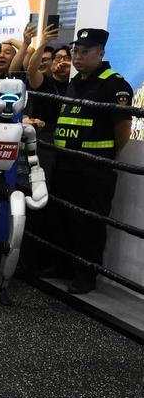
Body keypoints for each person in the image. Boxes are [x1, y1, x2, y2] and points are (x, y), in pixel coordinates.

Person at [50, 28, 133, 294]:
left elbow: (123, 129)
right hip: (66, 165)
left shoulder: (114, 83)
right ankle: (62, 266)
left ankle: (85, 276)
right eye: (76, 51)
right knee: (64, 218)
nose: (78, 56)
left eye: (85, 52)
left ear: (101, 53)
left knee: (89, 224)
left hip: (93, 168)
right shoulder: (76, 82)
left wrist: (104, 156)